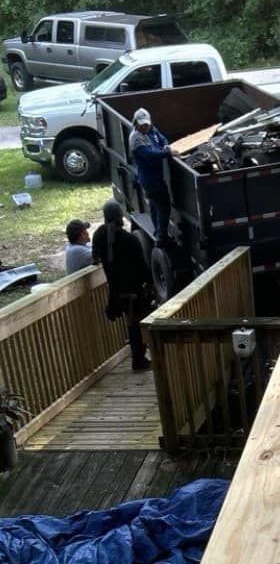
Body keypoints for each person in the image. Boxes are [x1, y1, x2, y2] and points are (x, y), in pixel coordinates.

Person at [92, 200, 153, 372]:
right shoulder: (129, 239)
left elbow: (95, 259)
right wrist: (150, 283)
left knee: (132, 325)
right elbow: (142, 267)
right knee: (136, 325)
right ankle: (139, 360)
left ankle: (139, 358)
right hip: (133, 290)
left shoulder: (99, 235)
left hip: (115, 292)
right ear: (119, 216)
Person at [128, 107, 174, 244]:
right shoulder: (136, 138)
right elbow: (150, 155)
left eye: (146, 124)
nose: (145, 127)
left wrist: (166, 146)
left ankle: (158, 231)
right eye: (142, 125)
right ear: (136, 123)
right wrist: (169, 153)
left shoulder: (151, 129)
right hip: (150, 180)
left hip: (155, 177)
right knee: (163, 206)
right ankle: (161, 237)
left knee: (155, 206)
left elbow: (162, 139)